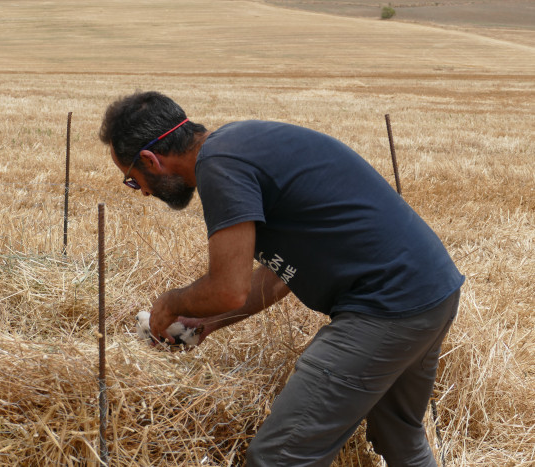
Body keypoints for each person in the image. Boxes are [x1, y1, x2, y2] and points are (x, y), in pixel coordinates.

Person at [99, 90, 464, 467]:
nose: (141, 192)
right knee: (398, 433)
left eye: (132, 180)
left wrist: (171, 303)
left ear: (149, 159)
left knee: (280, 456)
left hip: (387, 306)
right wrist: (210, 320)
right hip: (432, 291)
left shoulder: (220, 165)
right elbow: (282, 273)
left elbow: (228, 288)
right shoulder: (239, 144)